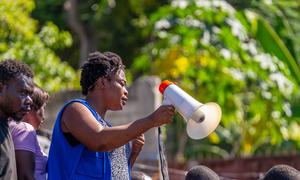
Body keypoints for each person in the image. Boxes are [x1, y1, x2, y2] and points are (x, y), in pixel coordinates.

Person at [47, 51, 175, 180]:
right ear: (102, 82)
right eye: (122, 83)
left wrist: (134, 153)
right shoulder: (75, 109)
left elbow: (119, 176)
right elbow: (99, 140)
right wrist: (151, 120)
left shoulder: (108, 131)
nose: (126, 91)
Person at [0, 59, 34, 180]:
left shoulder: (4, 126)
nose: (30, 100)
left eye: (30, 94)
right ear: (1, 88)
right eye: (23, 92)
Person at [9, 85, 49, 180]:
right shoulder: (25, 130)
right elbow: (26, 176)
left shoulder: (10, 126)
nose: (44, 117)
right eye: (44, 107)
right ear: (31, 107)